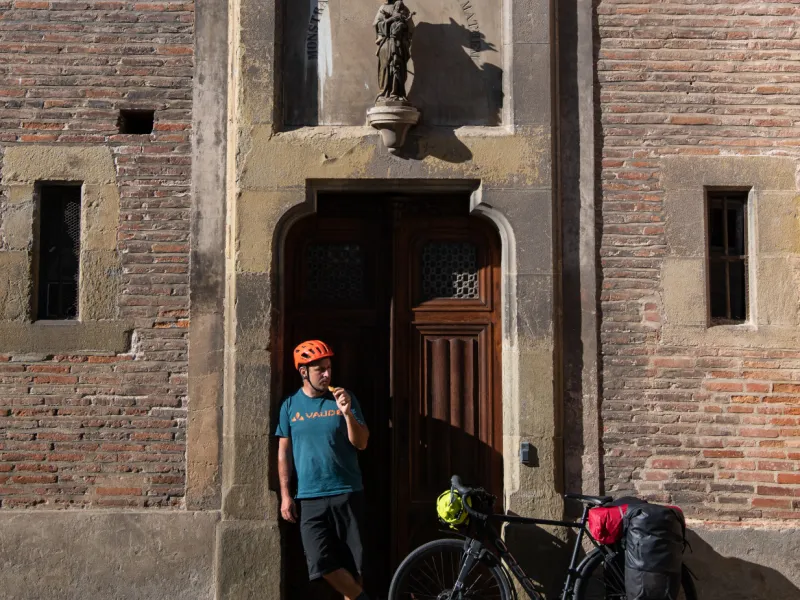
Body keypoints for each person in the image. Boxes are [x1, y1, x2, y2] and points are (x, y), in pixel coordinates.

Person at [276, 340, 371, 600]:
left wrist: (348, 413)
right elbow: (284, 452)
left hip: (347, 492)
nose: (327, 374)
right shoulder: (290, 405)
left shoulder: (342, 399)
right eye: (320, 369)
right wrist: (286, 494)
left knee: (353, 566)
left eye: (329, 368)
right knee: (319, 560)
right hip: (310, 497)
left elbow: (361, 443)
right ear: (304, 372)